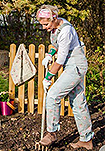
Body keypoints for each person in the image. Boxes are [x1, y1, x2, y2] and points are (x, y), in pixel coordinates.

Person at [36, 5, 94, 150]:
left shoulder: (66, 30)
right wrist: (49, 54)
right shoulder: (57, 26)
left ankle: (51, 133)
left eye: (46, 24)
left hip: (75, 66)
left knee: (52, 96)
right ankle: (86, 139)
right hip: (74, 66)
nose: (44, 27)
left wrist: (48, 77)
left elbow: (60, 60)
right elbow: (56, 45)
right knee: (78, 103)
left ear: (54, 18)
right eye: (42, 24)